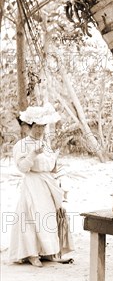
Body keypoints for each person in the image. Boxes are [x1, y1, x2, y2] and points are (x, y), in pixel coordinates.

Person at [9, 103, 73, 267]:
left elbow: (51, 166)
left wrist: (58, 172)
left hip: (47, 184)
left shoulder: (46, 144)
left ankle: (48, 251)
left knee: (48, 217)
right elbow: (23, 168)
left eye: (43, 127)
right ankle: (31, 253)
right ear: (30, 126)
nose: (40, 130)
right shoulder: (22, 145)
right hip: (32, 183)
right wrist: (32, 154)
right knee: (32, 217)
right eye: (37, 126)